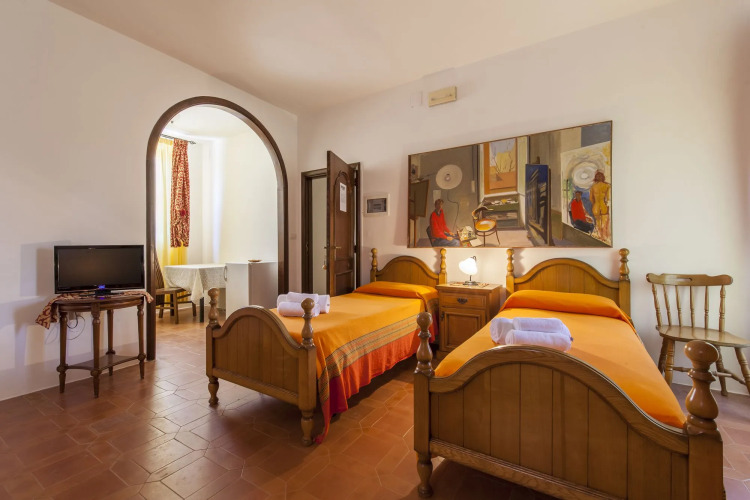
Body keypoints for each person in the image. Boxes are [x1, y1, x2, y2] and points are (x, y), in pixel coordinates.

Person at [589, 171, 611, 241]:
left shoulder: (593, 187)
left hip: (596, 207)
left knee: (598, 223)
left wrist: (594, 203)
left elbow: (591, 198)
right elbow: (608, 198)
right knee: (604, 223)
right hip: (604, 206)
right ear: (603, 177)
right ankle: (604, 237)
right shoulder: (607, 186)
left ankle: (600, 236)